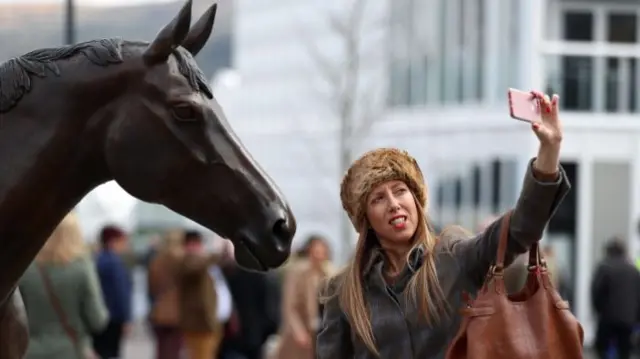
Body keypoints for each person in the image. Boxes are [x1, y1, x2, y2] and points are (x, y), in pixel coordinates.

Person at [317, 92, 569, 358]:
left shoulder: (454, 256)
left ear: (416, 199)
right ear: (365, 218)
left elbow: (520, 230)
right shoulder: (343, 293)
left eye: (400, 190)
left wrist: (549, 151)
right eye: (378, 198)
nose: (393, 203)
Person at [19, 212, 108, 359]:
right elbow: (97, 320)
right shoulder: (82, 268)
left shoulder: (26, 269)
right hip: (71, 350)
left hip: (30, 352)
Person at [274, 235, 333, 359]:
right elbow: (289, 307)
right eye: (317, 252)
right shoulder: (297, 273)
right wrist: (298, 331)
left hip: (318, 333)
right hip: (298, 334)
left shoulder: (327, 274)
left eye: (323, 252)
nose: (320, 256)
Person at [591, 238, 640, 359]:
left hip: (608, 318)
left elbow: (596, 291)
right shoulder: (633, 270)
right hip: (628, 319)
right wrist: (636, 317)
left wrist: (598, 310)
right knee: (625, 351)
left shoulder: (605, 268)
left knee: (602, 348)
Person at [93, 225, 133, 359]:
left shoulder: (97, 259)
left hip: (99, 315)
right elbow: (121, 292)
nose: (125, 245)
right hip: (114, 318)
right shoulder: (114, 263)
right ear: (112, 241)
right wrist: (126, 318)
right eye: (122, 241)